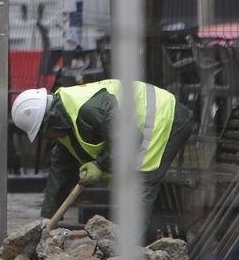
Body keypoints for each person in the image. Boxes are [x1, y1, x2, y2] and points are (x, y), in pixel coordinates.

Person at [11, 80, 195, 220]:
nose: (46, 137)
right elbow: (60, 174)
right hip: (139, 127)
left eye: (43, 133)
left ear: (49, 121)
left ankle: (130, 257)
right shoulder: (65, 124)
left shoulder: (89, 109)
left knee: (139, 179)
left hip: (163, 117)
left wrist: (100, 165)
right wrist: (47, 219)